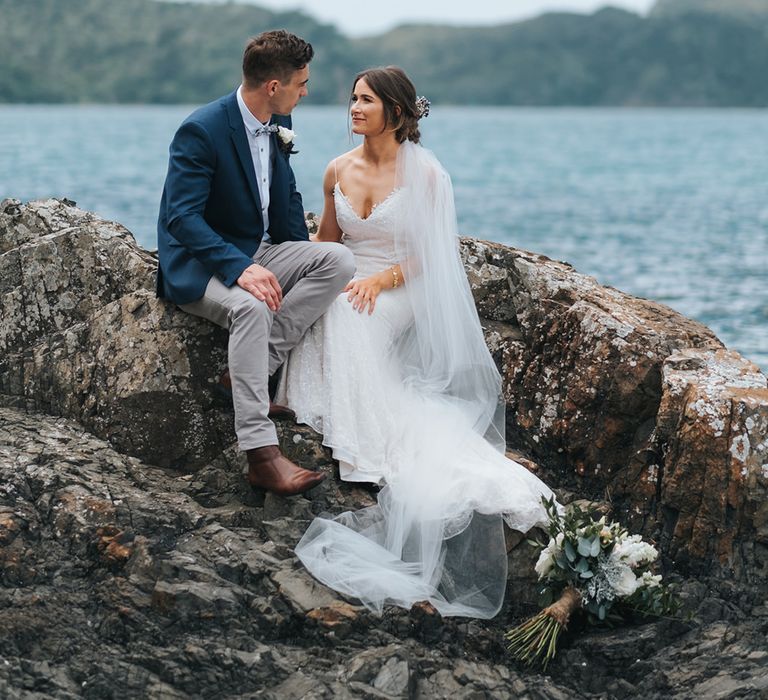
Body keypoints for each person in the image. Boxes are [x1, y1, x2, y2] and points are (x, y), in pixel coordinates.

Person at [276, 67, 557, 618]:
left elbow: (433, 256)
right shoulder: (336, 169)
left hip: (400, 288)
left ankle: (363, 432)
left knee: (352, 314)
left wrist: (381, 281)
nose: (354, 108)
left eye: (366, 101)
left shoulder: (425, 175)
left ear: (396, 112)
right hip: (349, 279)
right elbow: (326, 244)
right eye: (352, 99)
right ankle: (329, 407)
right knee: (327, 303)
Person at [156, 30, 355, 496]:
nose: (305, 91)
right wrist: (239, 268)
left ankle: (253, 365)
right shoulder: (202, 129)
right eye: (300, 83)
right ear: (273, 86)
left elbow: (283, 203)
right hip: (199, 263)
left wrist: (298, 255)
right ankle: (261, 454)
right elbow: (180, 217)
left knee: (337, 261)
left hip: (259, 249)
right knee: (251, 308)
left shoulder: (276, 124)